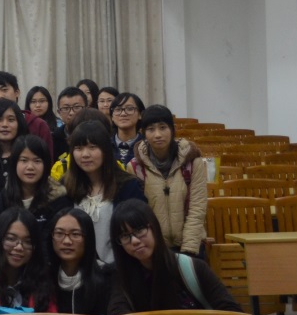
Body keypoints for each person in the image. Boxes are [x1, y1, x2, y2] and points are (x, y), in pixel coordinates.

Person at [108, 200, 242, 315]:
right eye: (125, 236)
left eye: (140, 230)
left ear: (154, 228)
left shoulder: (192, 268)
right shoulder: (121, 274)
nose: (134, 241)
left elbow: (233, 313)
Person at [127, 105, 209, 257]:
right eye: (151, 129)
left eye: (163, 127)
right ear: (143, 133)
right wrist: (154, 249)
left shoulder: (192, 162)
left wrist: (188, 250)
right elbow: (139, 214)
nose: (158, 134)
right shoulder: (135, 167)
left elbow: (197, 207)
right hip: (154, 249)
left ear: (172, 129)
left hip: (191, 245)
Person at [63, 121, 147, 264]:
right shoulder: (65, 187)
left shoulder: (127, 186)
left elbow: (141, 230)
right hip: (77, 269)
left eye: (92, 147)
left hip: (119, 268)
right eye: (78, 148)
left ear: (106, 150)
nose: (85, 154)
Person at [0, 135, 71, 239]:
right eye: (24, 160)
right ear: (14, 164)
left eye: (37, 161)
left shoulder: (59, 202)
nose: (30, 167)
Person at [44, 208, 111, 315]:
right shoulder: (43, 277)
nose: (67, 241)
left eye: (75, 234)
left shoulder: (107, 276)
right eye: (59, 233)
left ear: (88, 239)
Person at [0, 72, 55, 162]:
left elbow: (47, 163)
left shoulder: (38, 125)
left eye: (4, 90)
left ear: (17, 92)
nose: (0, 96)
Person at [25, 86, 67, 160]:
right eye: (33, 102)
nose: (38, 105)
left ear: (49, 103)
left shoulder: (59, 124)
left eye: (42, 101)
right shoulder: (23, 124)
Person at [109, 92, 146, 167]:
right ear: (112, 116)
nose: (123, 114)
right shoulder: (105, 145)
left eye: (129, 109)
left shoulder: (146, 145)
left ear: (140, 114)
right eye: (118, 109)